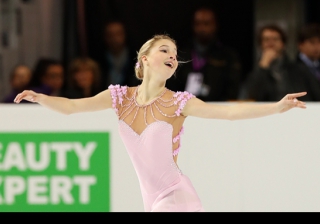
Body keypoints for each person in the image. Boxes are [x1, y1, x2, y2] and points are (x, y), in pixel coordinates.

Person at [13, 34, 307, 212]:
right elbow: (72, 107)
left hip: (176, 197)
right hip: (151, 201)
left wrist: (277, 107)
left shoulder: (180, 102)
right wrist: (40, 98)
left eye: (175, 54)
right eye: (165, 49)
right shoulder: (119, 97)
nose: (172, 56)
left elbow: (229, 114)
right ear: (144, 58)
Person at [166, 6, 242, 101]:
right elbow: (172, 85)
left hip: (217, 108)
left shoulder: (227, 56)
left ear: (215, 25)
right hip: (185, 108)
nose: (202, 28)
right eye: (198, 24)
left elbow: (233, 88)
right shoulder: (182, 54)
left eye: (206, 24)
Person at [241, 23, 320, 101]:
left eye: (275, 39)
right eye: (266, 39)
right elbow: (250, 97)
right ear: (261, 44)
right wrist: (263, 67)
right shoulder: (254, 72)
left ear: (283, 44)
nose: (271, 43)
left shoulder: (299, 70)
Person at [98, 19, 138, 88]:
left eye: (118, 34)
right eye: (110, 35)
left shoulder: (136, 58)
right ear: (105, 37)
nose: (114, 38)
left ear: (125, 34)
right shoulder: (98, 59)